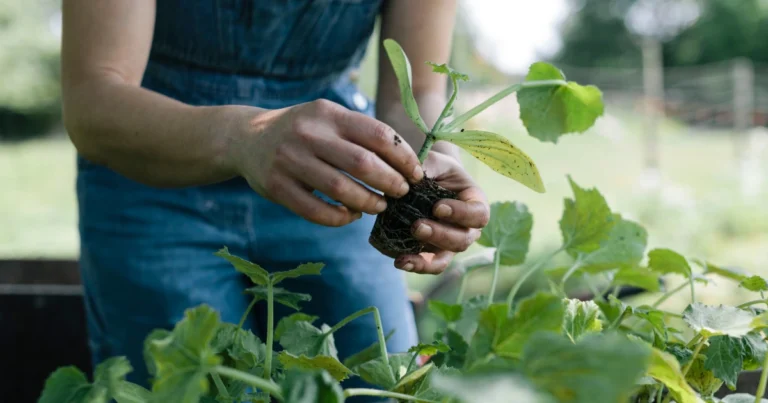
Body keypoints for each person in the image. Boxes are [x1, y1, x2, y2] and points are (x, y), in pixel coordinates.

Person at [61, 0, 490, 395]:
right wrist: (245, 138)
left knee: (377, 381)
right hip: (154, 165)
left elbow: (415, 94)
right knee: (188, 388)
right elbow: (93, 99)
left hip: (332, 177)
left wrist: (432, 161)